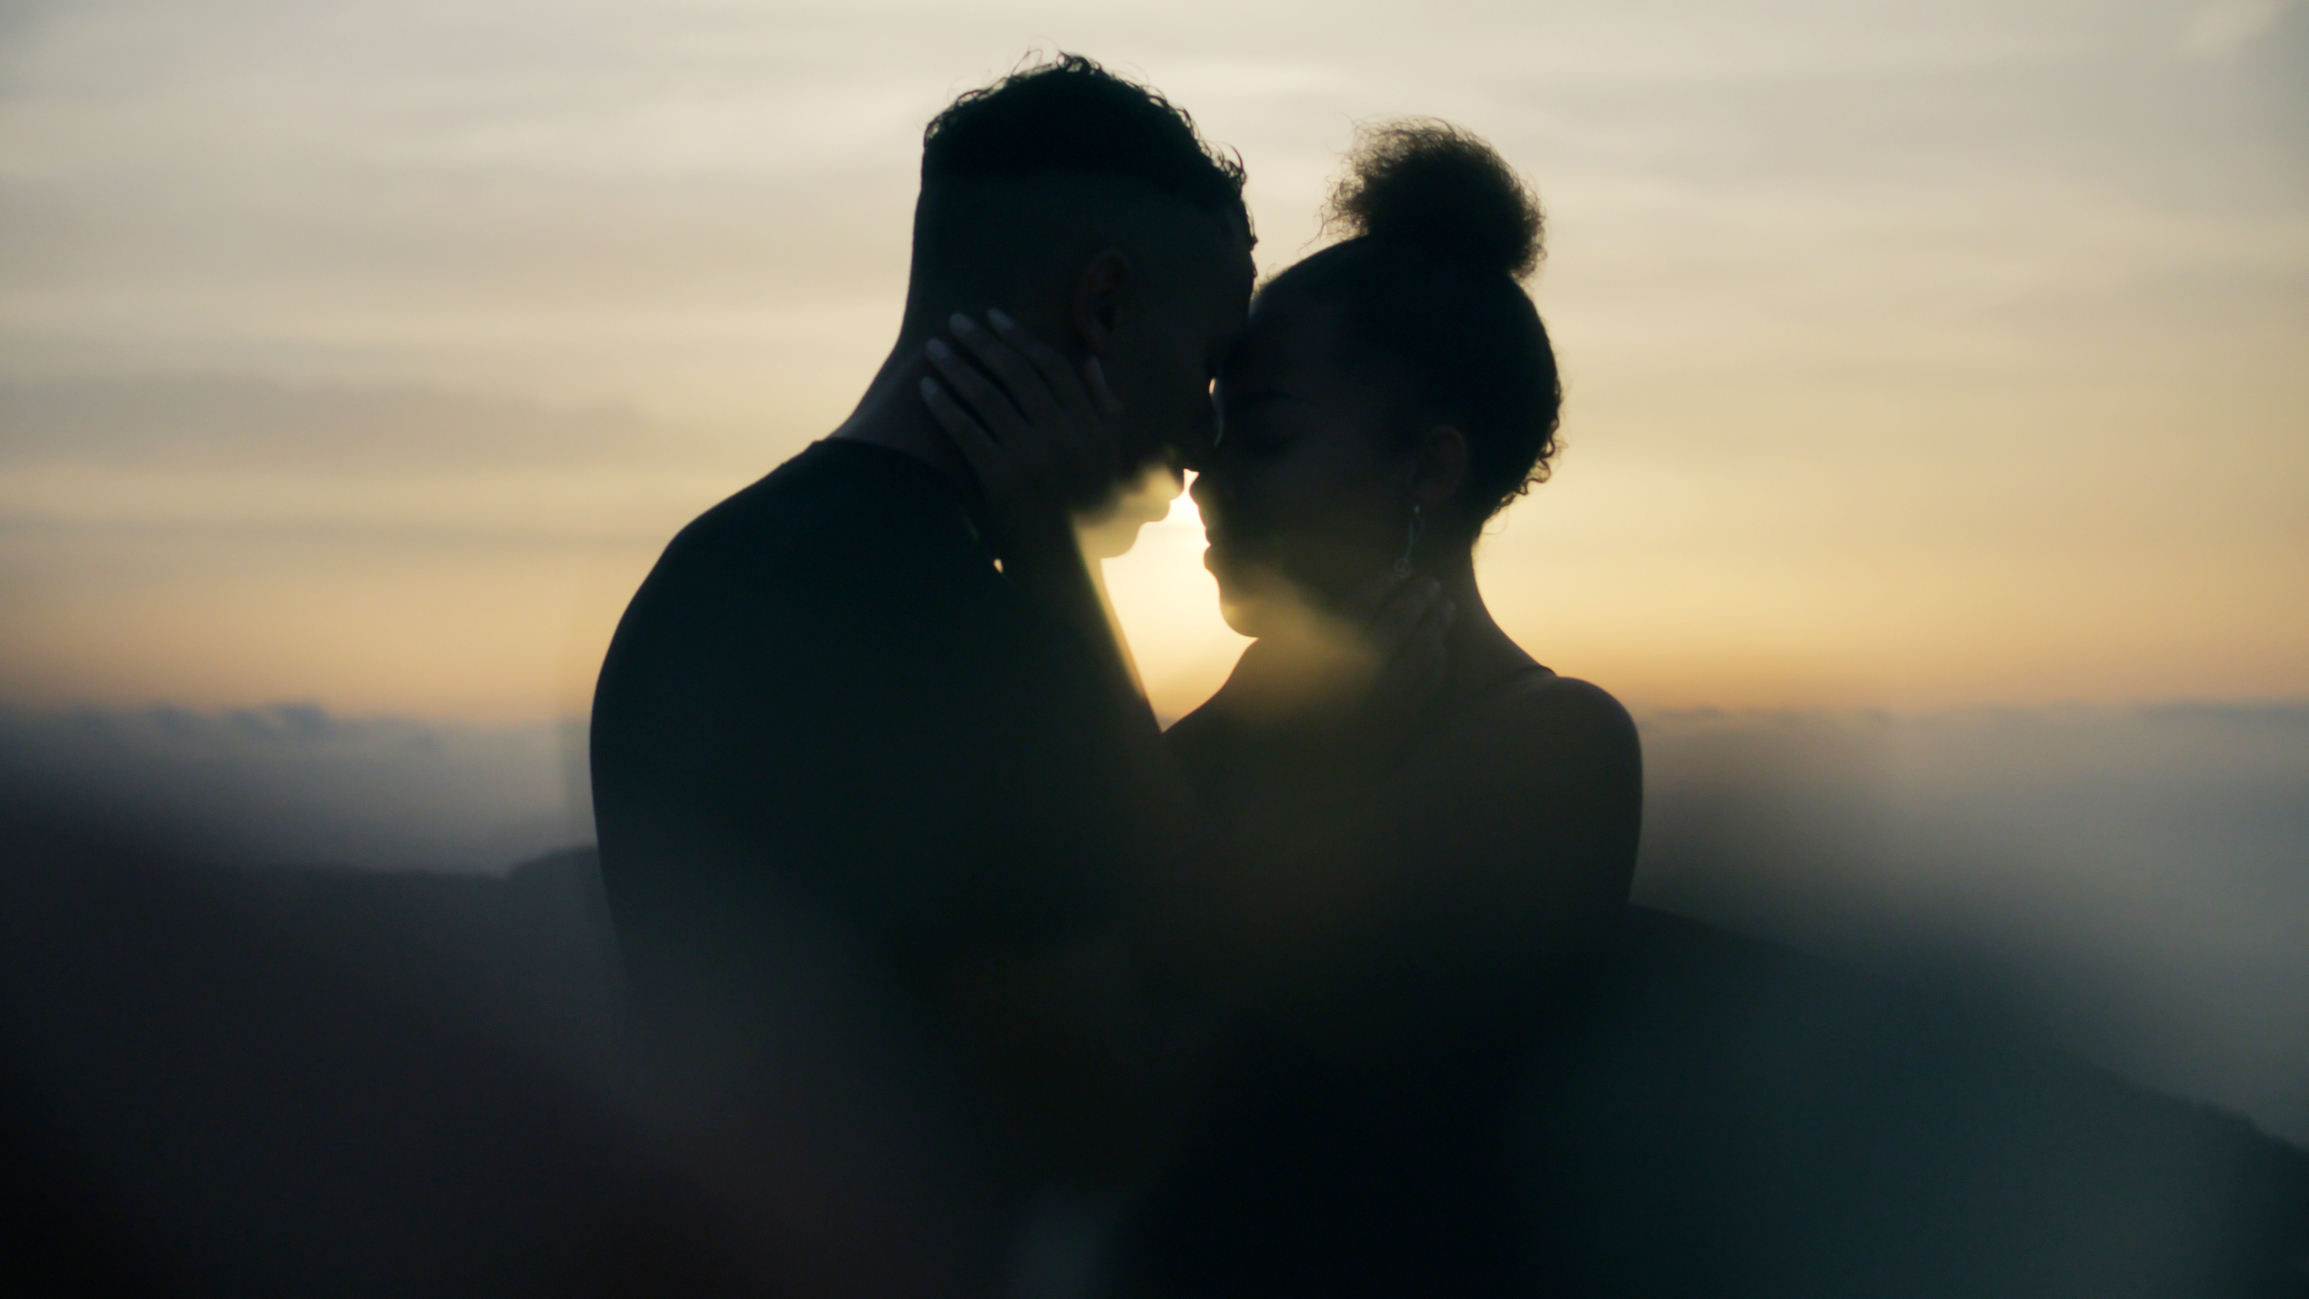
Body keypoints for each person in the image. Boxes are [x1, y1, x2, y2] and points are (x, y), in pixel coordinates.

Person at [921, 120, 1642, 1297]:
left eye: (1262, 433)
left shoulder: (1558, 746)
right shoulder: (1261, 717)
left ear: (1428, 469)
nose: (1204, 471)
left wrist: (1061, 576)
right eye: (1210, 426)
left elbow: (1202, 938)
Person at [588, 55, 1258, 1298]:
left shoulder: (701, 569)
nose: (1208, 432)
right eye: (1210, 366)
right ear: (1101, 307)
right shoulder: (977, 638)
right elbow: (1119, 1123)